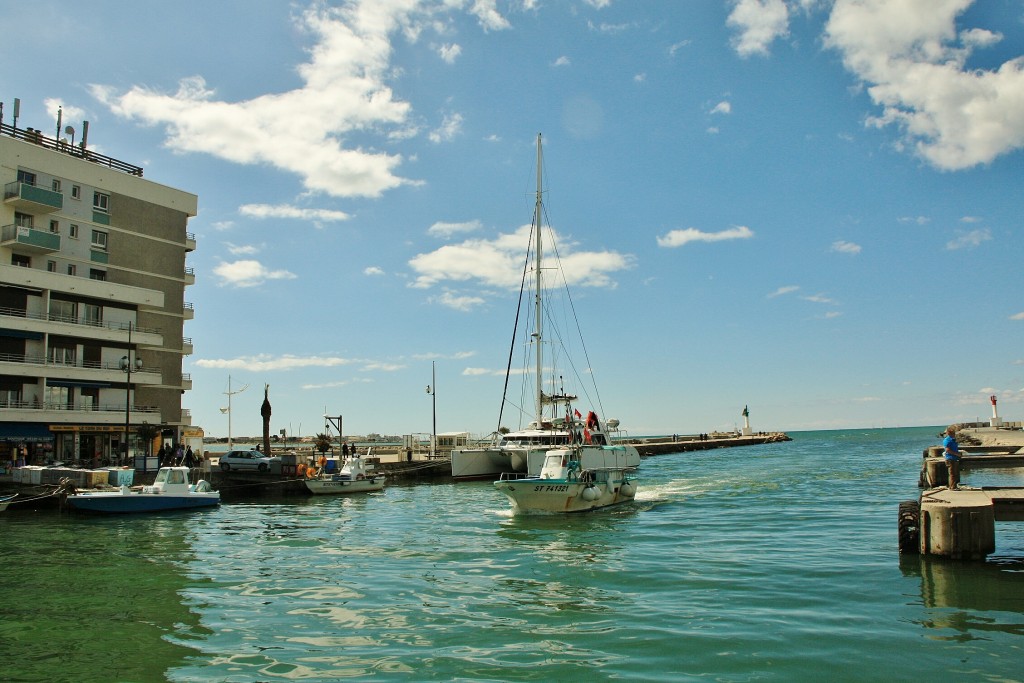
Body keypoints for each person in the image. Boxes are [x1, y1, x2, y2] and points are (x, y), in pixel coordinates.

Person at [943, 425, 961, 490]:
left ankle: (953, 486)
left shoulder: (953, 440)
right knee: (952, 474)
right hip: (950, 458)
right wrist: (956, 454)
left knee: (955, 473)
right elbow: (947, 450)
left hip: (954, 458)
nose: (954, 434)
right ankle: (953, 487)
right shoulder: (947, 440)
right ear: (949, 433)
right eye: (953, 433)